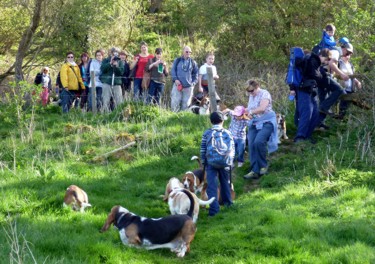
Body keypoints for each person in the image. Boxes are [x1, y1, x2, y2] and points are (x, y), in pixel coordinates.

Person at [200, 111, 234, 216]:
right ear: (222, 121)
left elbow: (203, 149)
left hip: (211, 163)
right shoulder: (228, 132)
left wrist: (203, 162)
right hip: (225, 162)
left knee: (212, 186)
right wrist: (230, 162)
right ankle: (228, 204)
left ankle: (214, 210)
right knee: (225, 183)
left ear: (211, 121)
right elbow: (232, 148)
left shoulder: (207, 133)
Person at [243, 80, 278, 180]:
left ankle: (263, 165)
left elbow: (262, 108)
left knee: (259, 141)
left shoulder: (264, 94)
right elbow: (250, 109)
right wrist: (243, 111)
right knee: (251, 144)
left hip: (267, 121)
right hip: (255, 122)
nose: (250, 93)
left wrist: (251, 111)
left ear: (257, 86)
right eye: (248, 91)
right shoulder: (251, 96)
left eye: (252, 91)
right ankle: (254, 170)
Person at [294, 49, 330, 142]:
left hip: (310, 90)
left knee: (314, 114)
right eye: (327, 59)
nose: (327, 62)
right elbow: (313, 74)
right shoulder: (313, 60)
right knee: (307, 113)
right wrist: (322, 75)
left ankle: (307, 136)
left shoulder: (315, 62)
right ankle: (300, 137)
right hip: (303, 89)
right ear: (322, 55)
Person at [337, 43, 362, 118]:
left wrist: (357, 82)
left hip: (350, 89)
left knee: (347, 108)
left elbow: (352, 76)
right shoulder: (338, 63)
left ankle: (344, 123)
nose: (348, 56)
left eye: (349, 54)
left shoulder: (350, 65)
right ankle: (338, 122)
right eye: (347, 54)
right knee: (342, 107)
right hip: (342, 88)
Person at [170, 46, 199, 112]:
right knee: (175, 103)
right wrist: (176, 79)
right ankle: (173, 118)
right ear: (183, 52)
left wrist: (193, 84)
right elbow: (173, 71)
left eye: (190, 52)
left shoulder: (193, 62)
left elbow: (196, 74)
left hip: (188, 88)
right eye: (187, 51)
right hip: (177, 86)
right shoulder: (177, 60)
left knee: (186, 105)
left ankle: (184, 119)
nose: (188, 53)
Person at [100, 47, 125, 112]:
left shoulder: (120, 62)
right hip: (107, 83)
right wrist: (110, 63)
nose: (115, 54)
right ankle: (105, 115)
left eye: (117, 53)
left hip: (117, 83)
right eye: (114, 53)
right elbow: (103, 69)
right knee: (106, 100)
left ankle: (118, 114)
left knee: (119, 101)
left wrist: (116, 66)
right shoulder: (105, 60)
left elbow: (121, 72)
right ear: (111, 53)